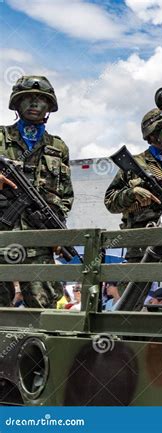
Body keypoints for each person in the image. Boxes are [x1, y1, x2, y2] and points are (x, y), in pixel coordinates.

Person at [0, 76, 74, 308]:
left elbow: (65, 195)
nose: (34, 104)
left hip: (39, 243)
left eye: (41, 100)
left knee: (44, 312)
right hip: (2, 237)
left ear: (49, 108)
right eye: (28, 99)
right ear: (17, 104)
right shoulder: (1, 138)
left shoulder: (58, 147)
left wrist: (56, 233)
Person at [104, 108, 162, 299]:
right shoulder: (135, 165)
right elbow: (110, 201)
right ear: (151, 133)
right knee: (130, 299)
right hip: (140, 242)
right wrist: (132, 193)